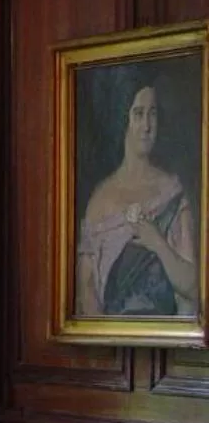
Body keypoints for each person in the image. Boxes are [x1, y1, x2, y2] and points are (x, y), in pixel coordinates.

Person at [77, 79, 198, 317]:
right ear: (124, 119)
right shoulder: (100, 200)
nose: (146, 126)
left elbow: (193, 286)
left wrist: (156, 242)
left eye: (152, 114)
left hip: (163, 339)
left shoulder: (171, 191)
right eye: (138, 114)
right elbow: (86, 290)